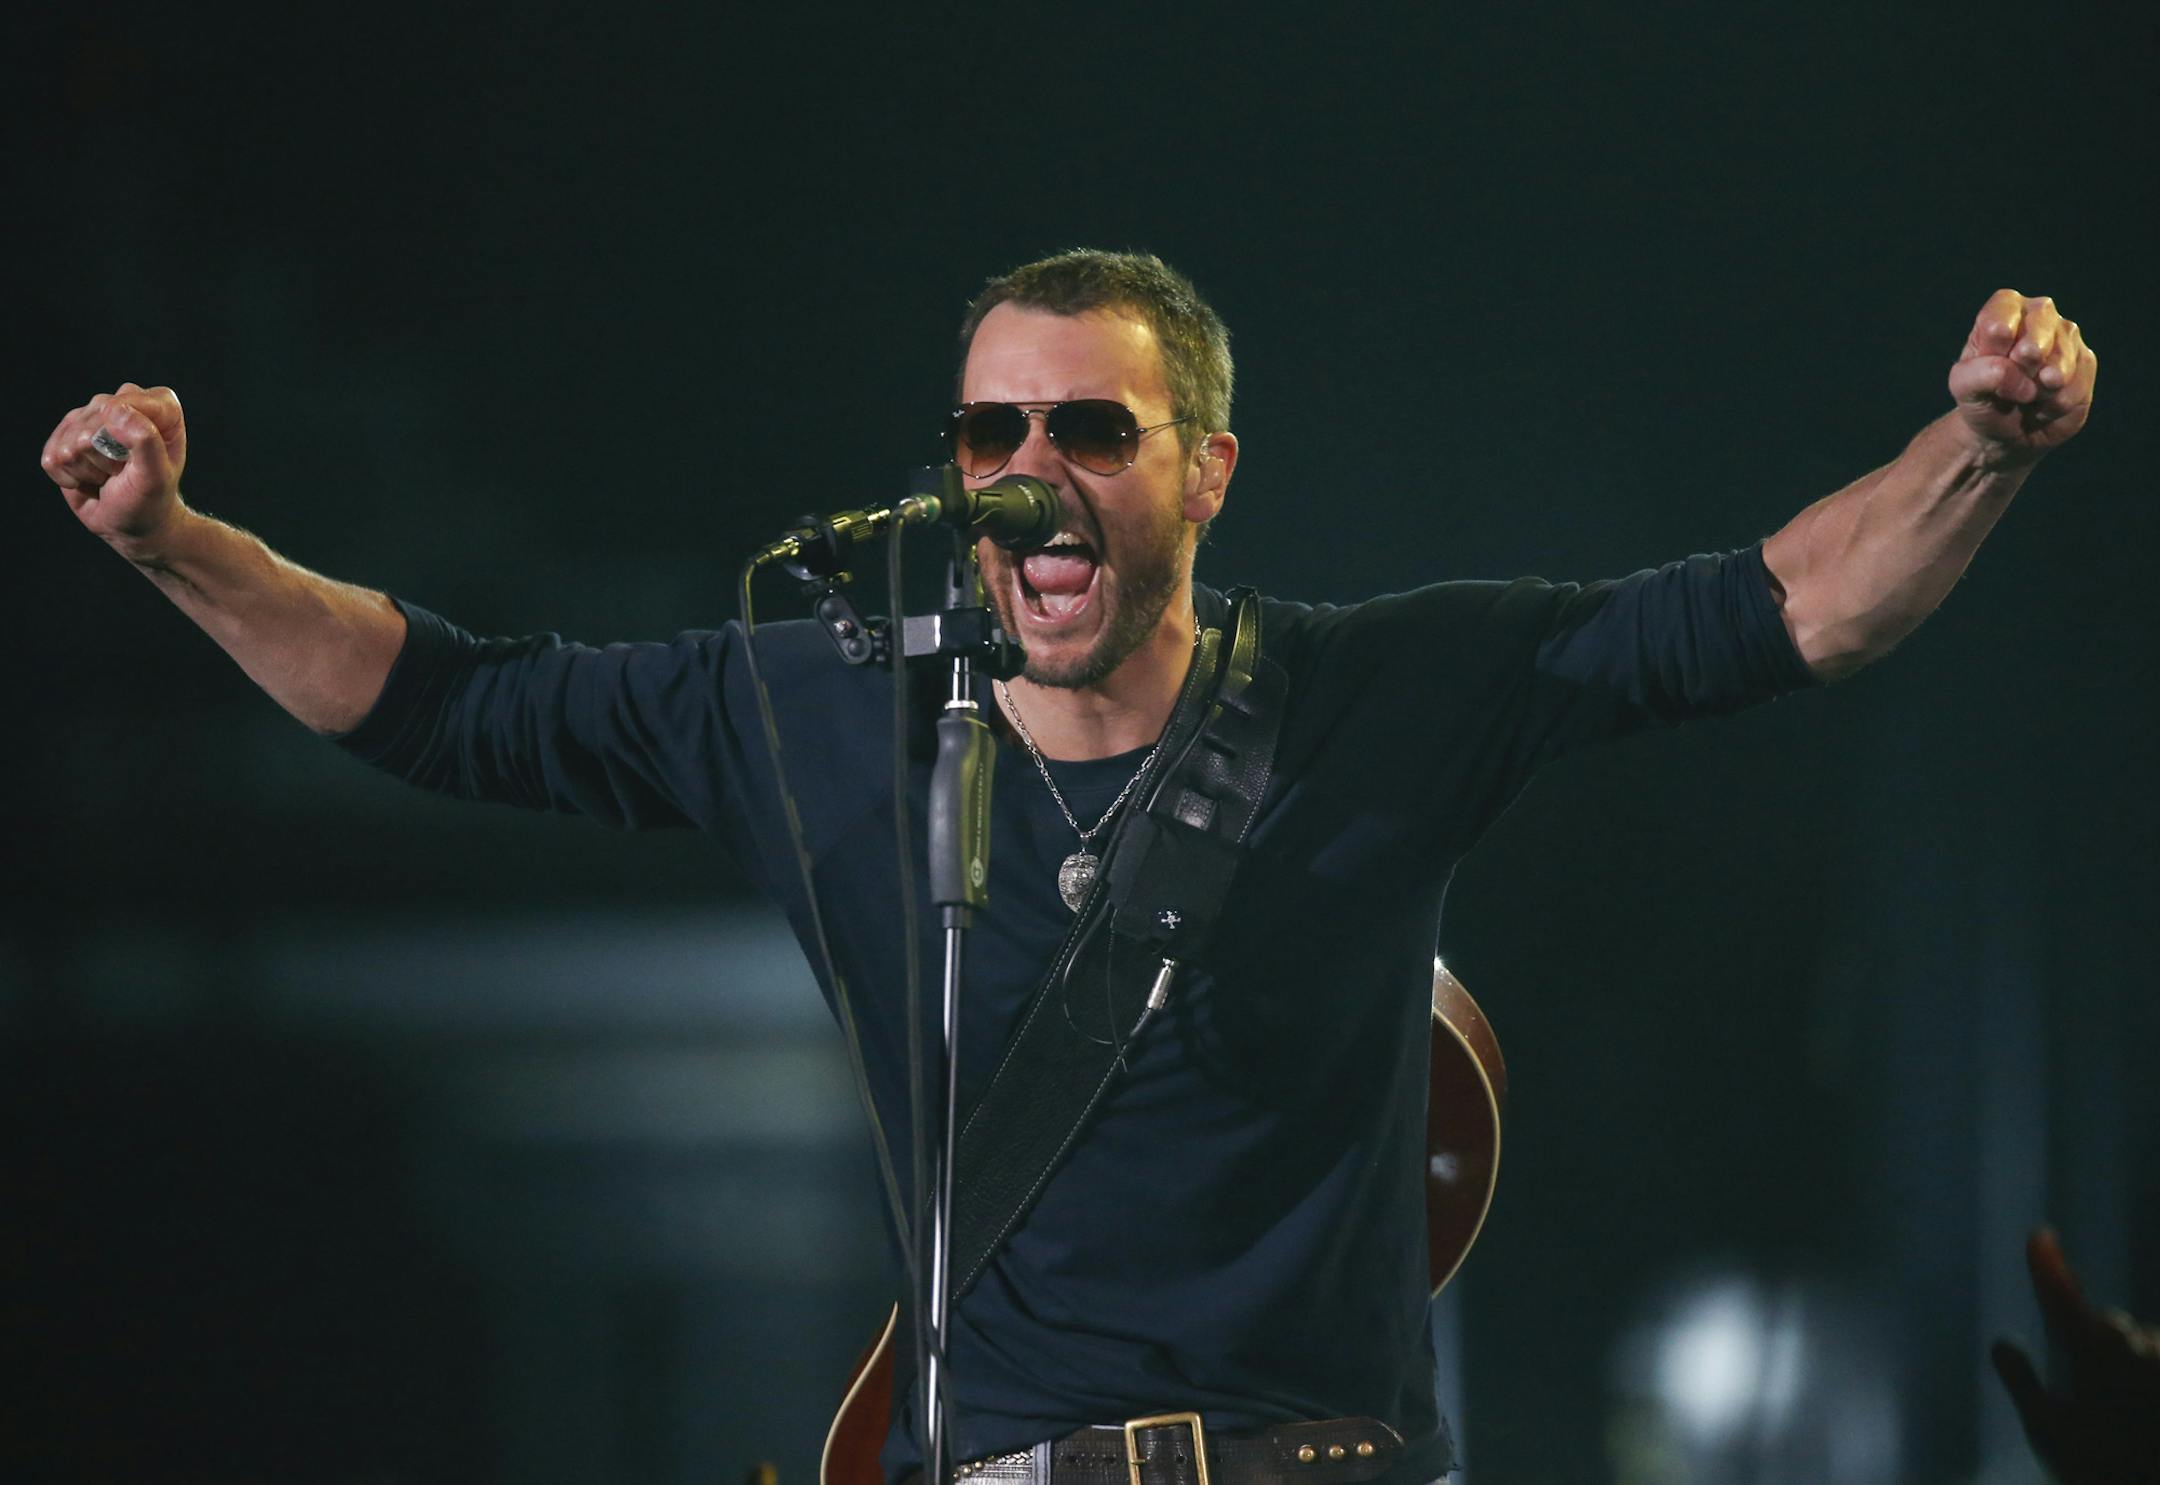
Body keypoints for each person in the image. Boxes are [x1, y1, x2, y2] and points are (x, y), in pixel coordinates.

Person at [40, 251, 2096, 1485]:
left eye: (1093, 429)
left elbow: (1783, 610)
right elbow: (441, 701)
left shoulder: (1387, 691)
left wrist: (1984, 442)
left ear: (1204, 466)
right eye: (991, 431)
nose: (1035, 474)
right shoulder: (823, 705)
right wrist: (170, 544)